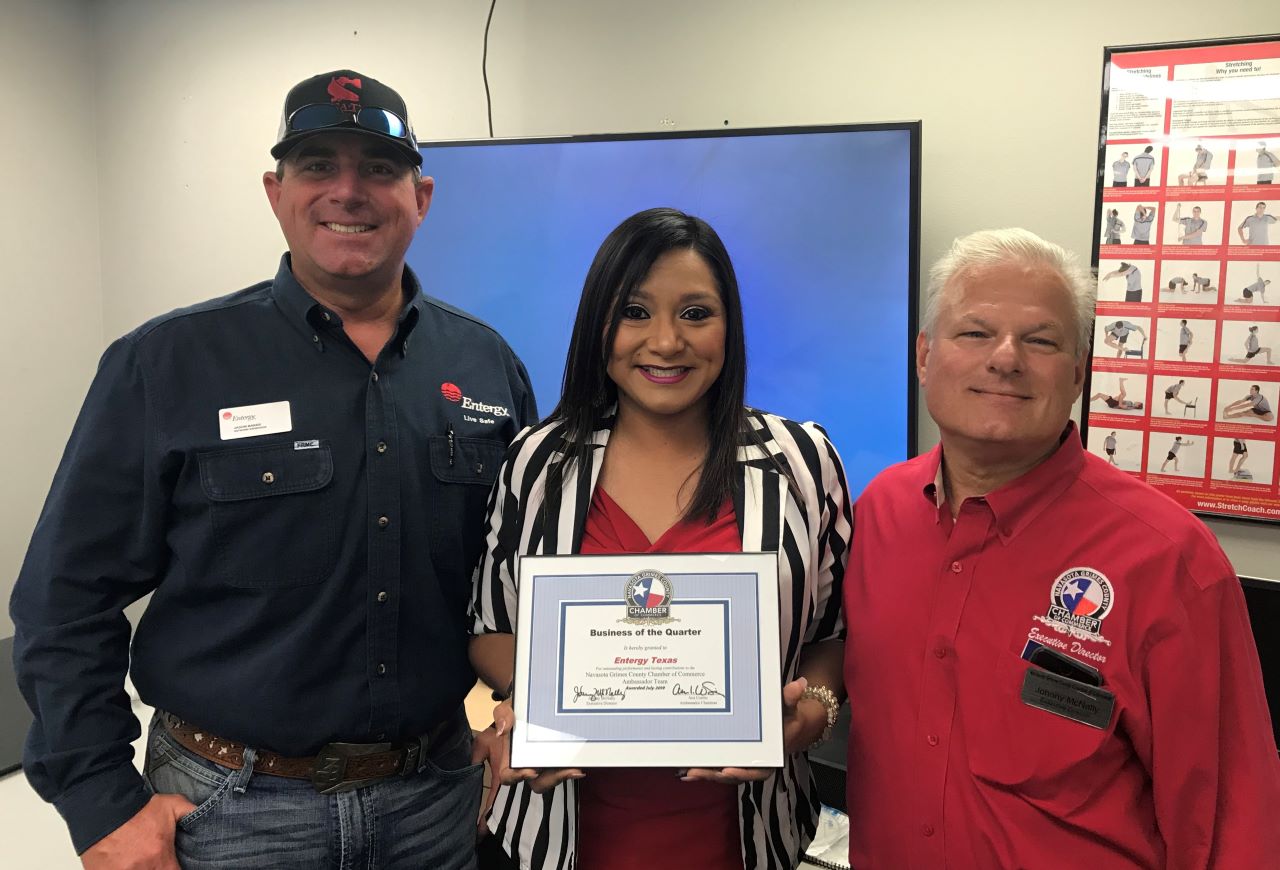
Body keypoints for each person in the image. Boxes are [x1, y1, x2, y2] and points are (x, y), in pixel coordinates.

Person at [9, 69, 538, 868]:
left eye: (380, 168)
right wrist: (100, 804)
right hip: (229, 813)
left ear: (421, 196)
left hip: (433, 803)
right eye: (319, 165)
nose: (348, 190)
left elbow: (520, 579)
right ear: (275, 191)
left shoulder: (488, 366)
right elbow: (63, 600)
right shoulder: (167, 364)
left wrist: (525, 710)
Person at [843, 227, 1280, 868]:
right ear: (924, 356)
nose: (1006, 358)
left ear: (1077, 373)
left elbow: (1229, 822)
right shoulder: (880, 512)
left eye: (1041, 340)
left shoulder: (1167, 559)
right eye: (975, 332)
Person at [468, 208, 853, 870]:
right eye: (636, 313)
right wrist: (553, 703)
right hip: (556, 838)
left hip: (745, 840)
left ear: (729, 325)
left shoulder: (801, 460)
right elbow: (491, 630)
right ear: (599, 326)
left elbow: (831, 635)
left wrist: (813, 711)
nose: (667, 342)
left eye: (696, 313)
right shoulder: (538, 459)